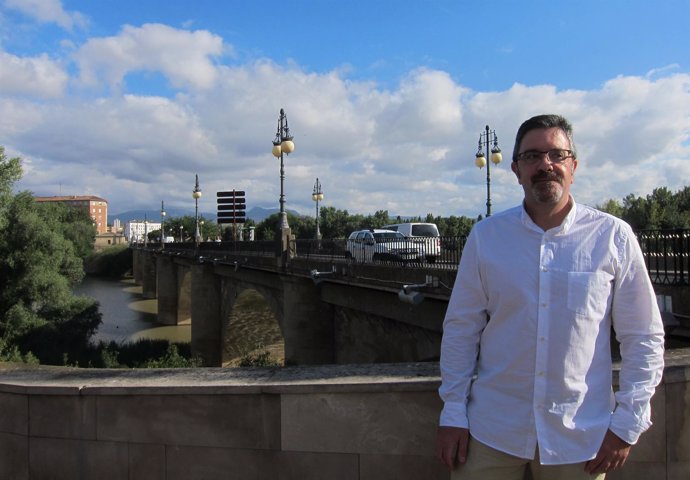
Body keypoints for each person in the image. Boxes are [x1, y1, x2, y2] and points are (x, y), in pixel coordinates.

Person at [436, 114, 665, 479]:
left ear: (573, 165)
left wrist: (628, 422)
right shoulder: (486, 237)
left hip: (581, 438)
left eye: (557, 155)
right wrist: (452, 411)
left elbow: (643, 336)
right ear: (515, 169)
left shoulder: (613, 237)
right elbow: (462, 329)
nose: (546, 164)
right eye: (532, 156)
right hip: (491, 432)